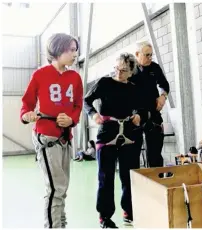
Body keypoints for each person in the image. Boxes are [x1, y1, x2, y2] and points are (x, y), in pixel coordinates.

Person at [20, 33, 82, 228]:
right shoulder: (40, 75)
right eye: (70, 50)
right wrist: (27, 115)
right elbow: (26, 104)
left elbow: (77, 107)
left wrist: (71, 119)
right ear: (57, 50)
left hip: (65, 139)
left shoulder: (75, 77)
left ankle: (60, 224)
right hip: (47, 138)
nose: (74, 54)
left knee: (62, 189)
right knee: (55, 189)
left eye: (75, 50)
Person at [84, 53, 146, 228]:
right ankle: (105, 217)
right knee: (106, 177)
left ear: (131, 72)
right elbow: (86, 101)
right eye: (117, 69)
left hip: (128, 135)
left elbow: (142, 108)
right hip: (107, 134)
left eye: (124, 70)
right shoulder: (104, 83)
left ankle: (129, 211)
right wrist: (93, 114)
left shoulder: (134, 89)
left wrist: (139, 116)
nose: (118, 73)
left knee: (129, 176)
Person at [129, 41, 170, 168]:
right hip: (135, 116)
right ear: (137, 54)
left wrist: (163, 96)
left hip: (153, 114)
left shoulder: (155, 68)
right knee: (133, 156)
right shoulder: (129, 69)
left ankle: (156, 183)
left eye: (151, 55)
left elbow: (165, 85)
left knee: (155, 156)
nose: (150, 58)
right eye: (147, 55)